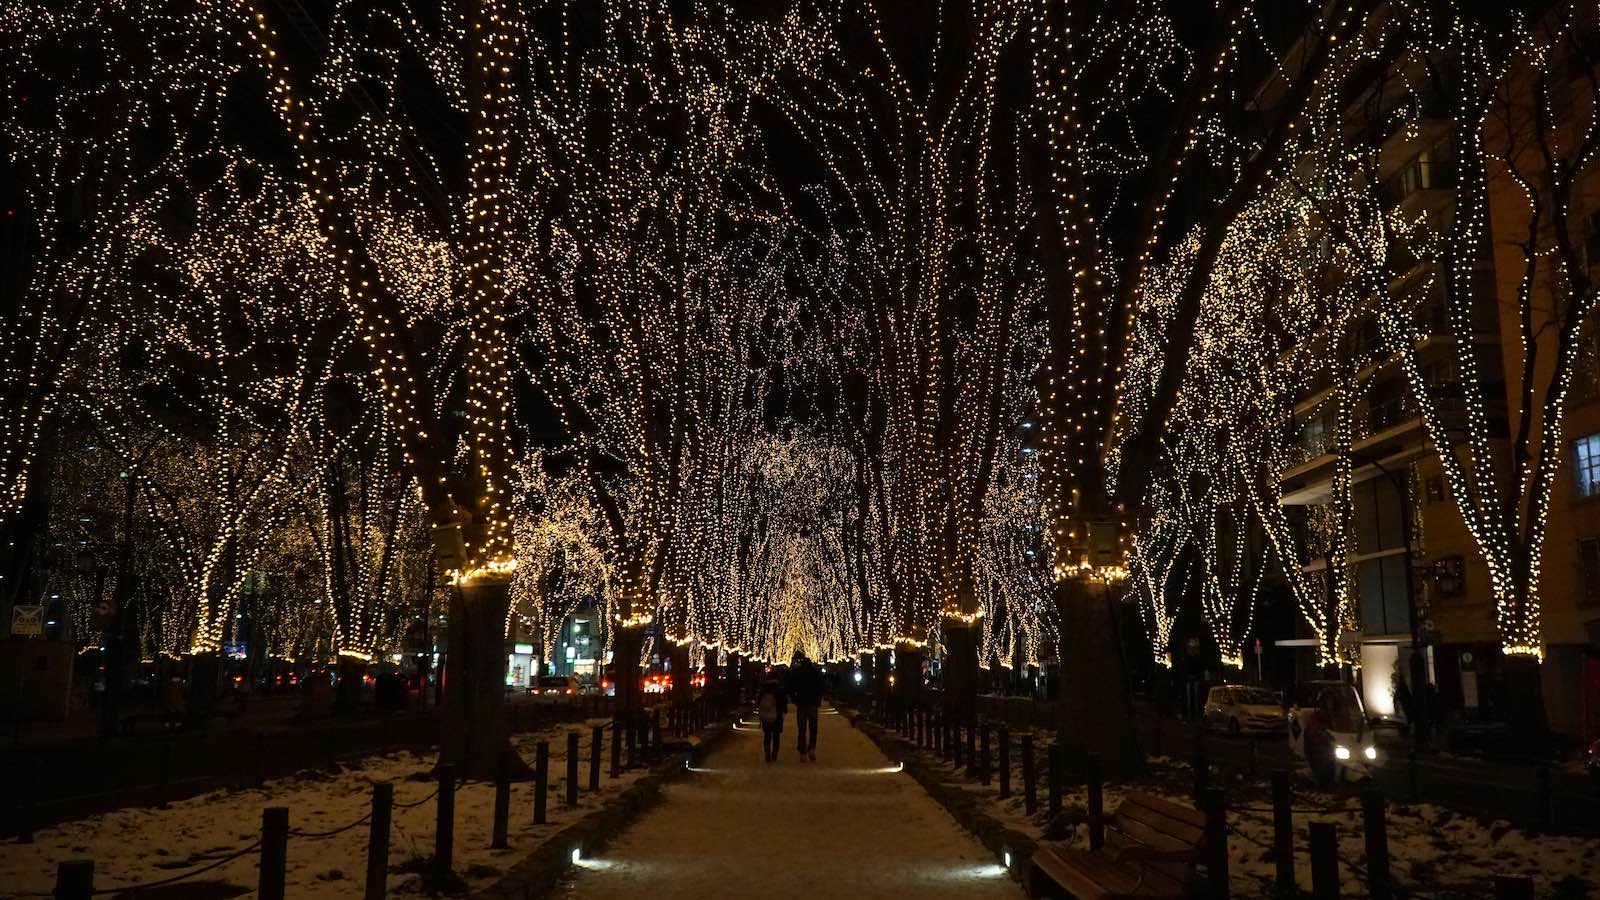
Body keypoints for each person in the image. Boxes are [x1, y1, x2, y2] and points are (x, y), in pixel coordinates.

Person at [789, 654, 826, 761]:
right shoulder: (816, 673)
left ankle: (802, 751)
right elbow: (821, 688)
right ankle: (812, 749)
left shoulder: (798, 673)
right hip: (813, 704)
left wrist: (795, 700)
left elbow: (792, 688)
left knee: (802, 728)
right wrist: (818, 700)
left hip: (802, 704)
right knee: (813, 728)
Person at [756, 671, 788, 762]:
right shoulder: (779, 688)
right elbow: (783, 701)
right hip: (777, 714)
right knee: (776, 735)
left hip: (766, 713)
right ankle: (774, 753)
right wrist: (784, 710)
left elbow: (759, 701)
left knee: (767, 734)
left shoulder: (764, 688)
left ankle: (767, 751)